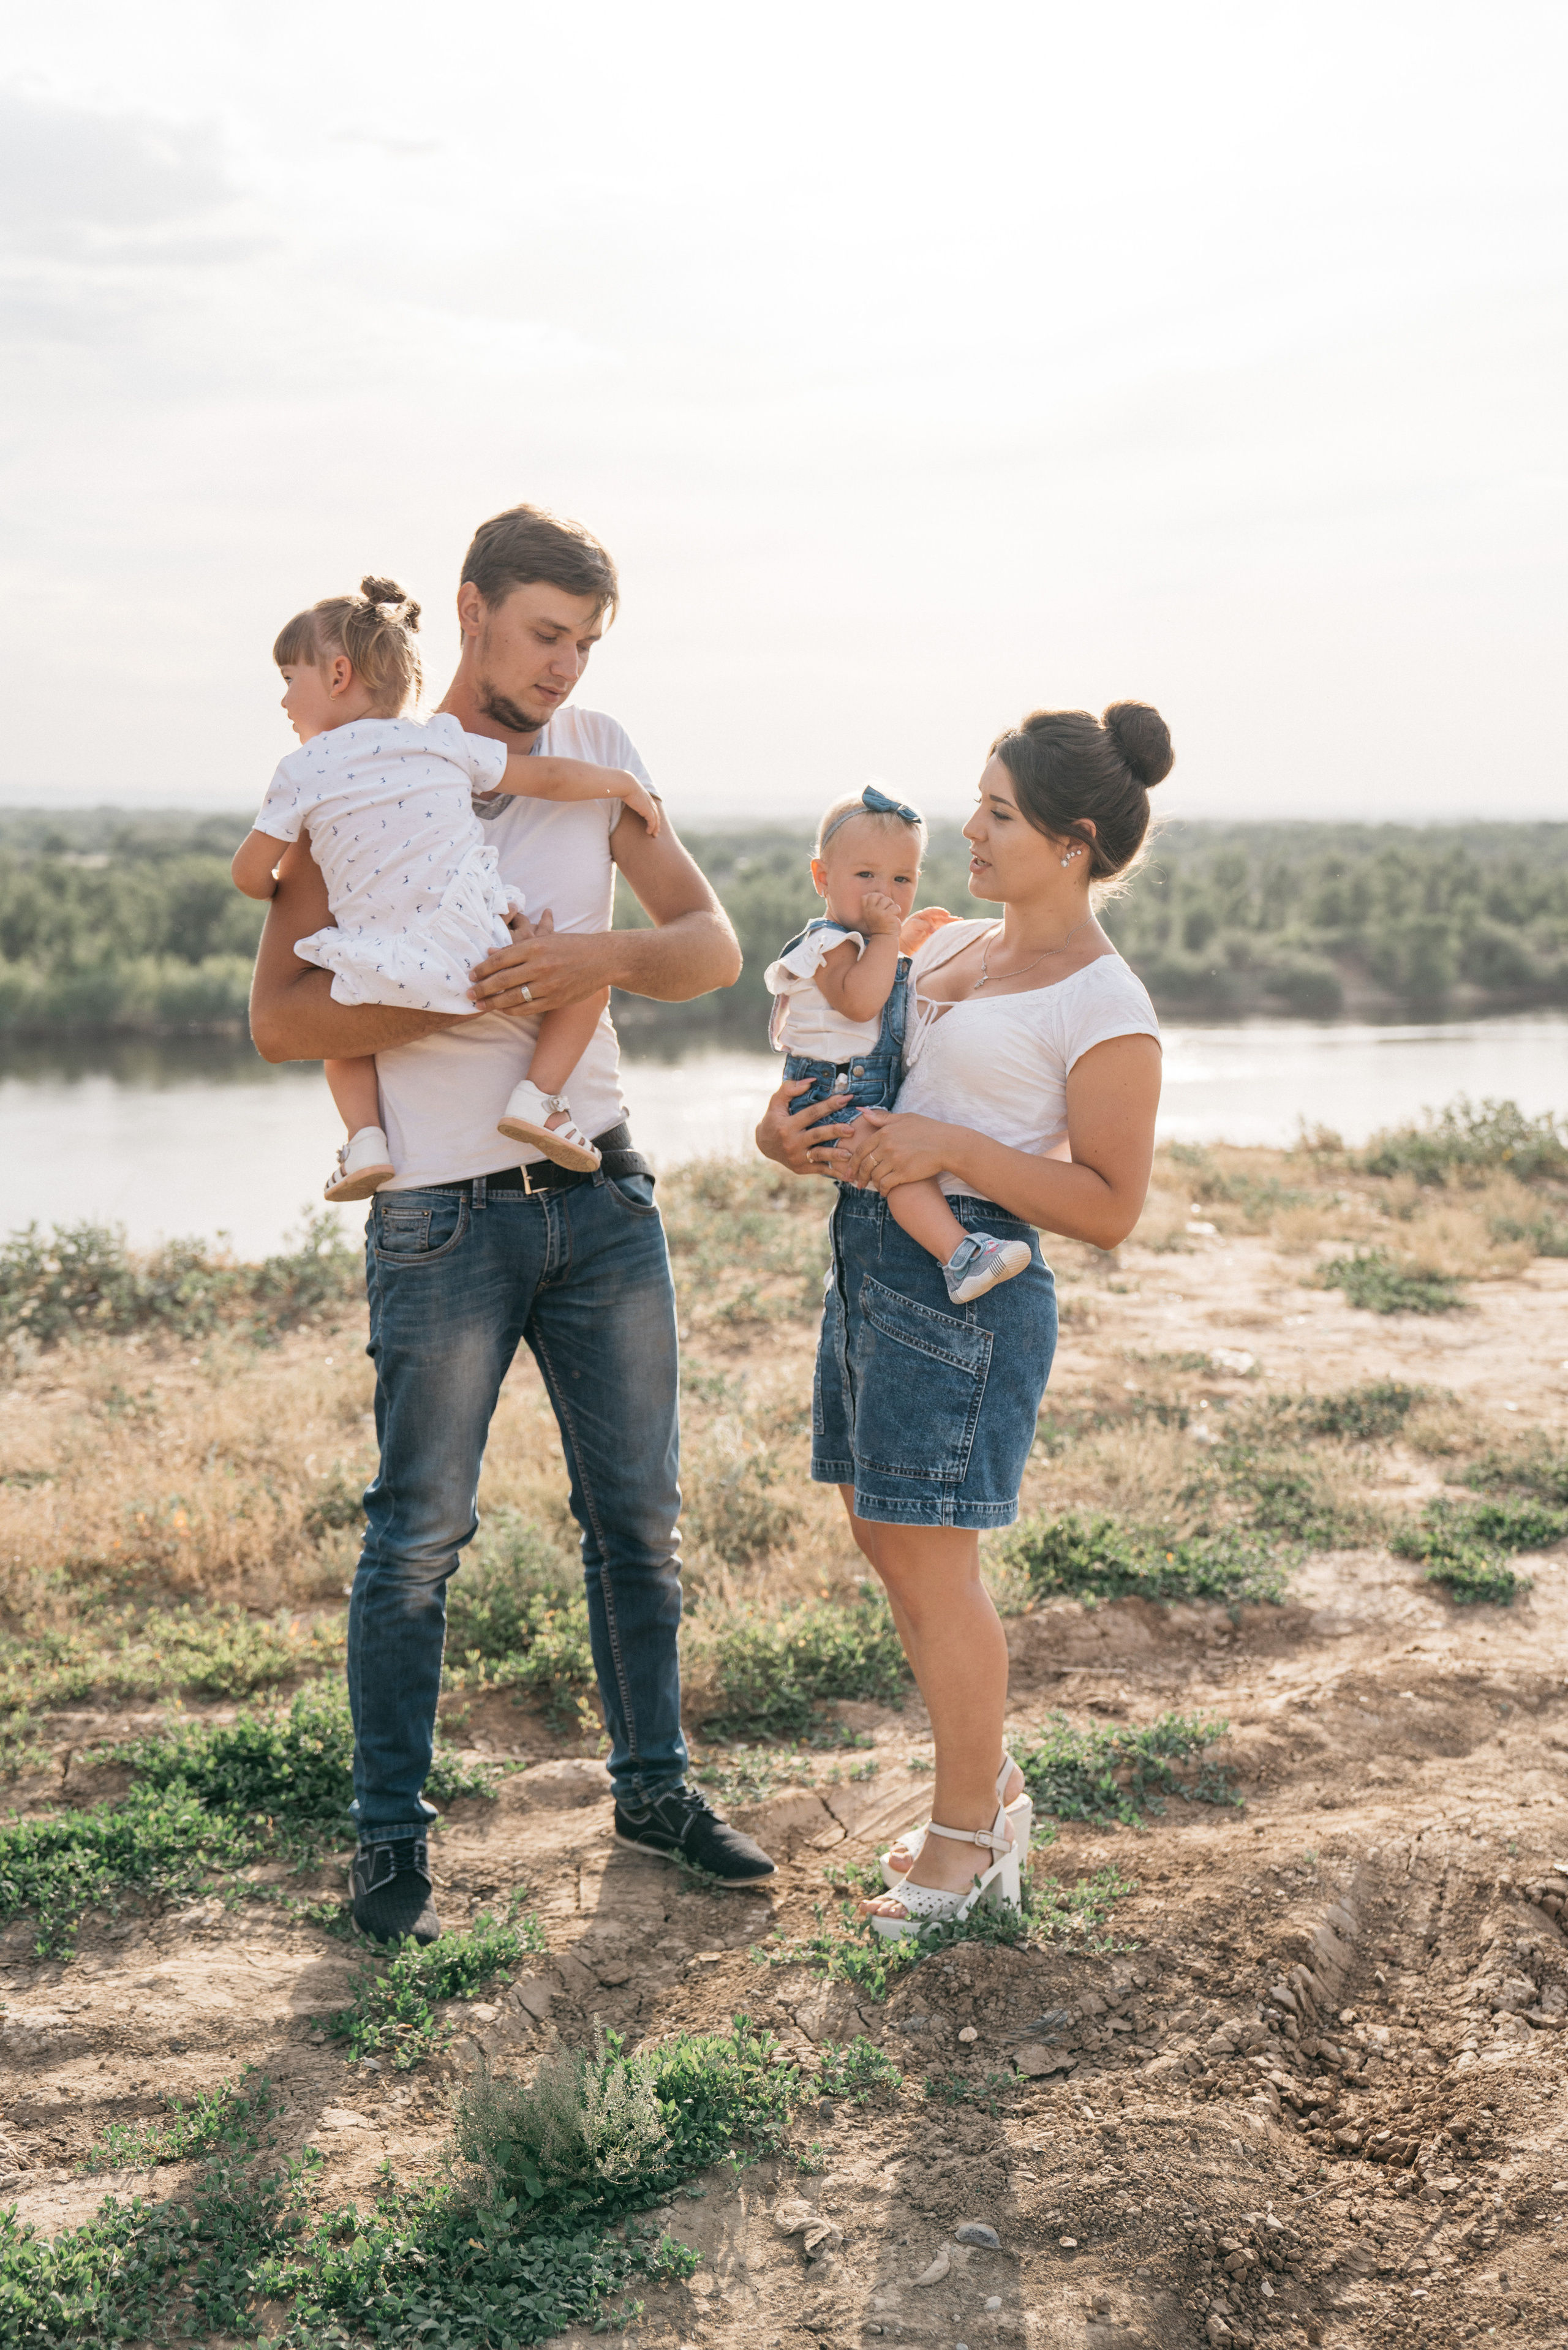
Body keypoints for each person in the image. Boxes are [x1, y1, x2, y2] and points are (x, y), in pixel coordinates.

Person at [248, 503, 776, 1942]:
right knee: (415, 1538)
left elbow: (710, 949)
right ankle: (386, 1849)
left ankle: (656, 1795)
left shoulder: (596, 756)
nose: (564, 666)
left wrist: (584, 953)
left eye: (586, 643)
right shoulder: (359, 762)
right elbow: (280, 1013)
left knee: (641, 1527)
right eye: (545, 635)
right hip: (435, 1217)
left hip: (600, 1193)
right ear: (471, 610)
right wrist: (435, 990)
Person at [755, 702, 1170, 1938]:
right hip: (868, 1269)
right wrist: (783, 1138)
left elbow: (1110, 1207)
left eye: (997, 814)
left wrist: (946, 1145)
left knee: (936, 1573)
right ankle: (982, 1781)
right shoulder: (940, 949)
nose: (972, 832)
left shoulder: (1104, 1005)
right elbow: (836, 1065)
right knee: (890, 1552)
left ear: (1071, 841)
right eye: (978, 805)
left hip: (968, 1297)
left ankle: (968, 1837)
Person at [233, 575, 664, 1200]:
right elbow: (542, 777)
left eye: (287, 680)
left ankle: (364, 1142)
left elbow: (248, 872)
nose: (282, 702)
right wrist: (619, 784)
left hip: (383, 961)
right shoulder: (440, 742)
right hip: (481, 948)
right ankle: (540, 1098)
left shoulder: (300, 773)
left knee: (342, 1037)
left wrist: (273, 884)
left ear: (337, 675)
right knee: (586, 978)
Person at [764, 784, 1033, 1304]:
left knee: (891, 1166)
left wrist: (901, 940)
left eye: (902, 878)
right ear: (822, 877)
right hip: (836, 1090)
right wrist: (890, 940)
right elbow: (861, 1002)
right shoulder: (825, 944)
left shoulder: (862, 942)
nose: (884, 891)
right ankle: (962, 1257)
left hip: (857, 1083)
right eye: (866, 875)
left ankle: (863, 1262)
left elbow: (875, 975)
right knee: (895, 1168)